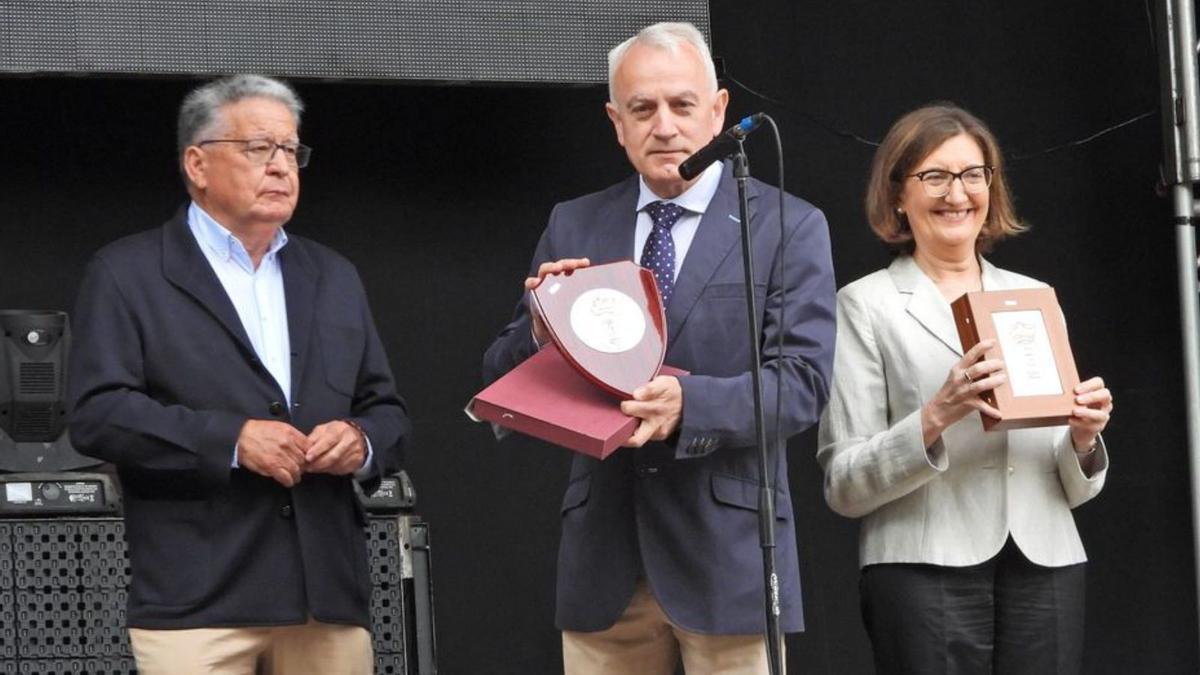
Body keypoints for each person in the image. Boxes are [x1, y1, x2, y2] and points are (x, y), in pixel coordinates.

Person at [482, 22, 835, 674]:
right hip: (604, 563)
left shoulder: (788, 224)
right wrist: (539, 329)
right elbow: (501, 373)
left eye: (682, 105)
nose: (664, 126)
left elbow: (803, 382)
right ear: (616, 122)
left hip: (728, 557)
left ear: (719, 110)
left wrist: (688, 406)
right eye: (642, 109)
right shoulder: (575, 222)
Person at [67, 74, 410, 675]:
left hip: (324, 599)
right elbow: (99, 417)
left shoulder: (333, 276)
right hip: (199, 599)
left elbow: (388, 412)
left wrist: (361, 441)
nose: (282, 167)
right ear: (197, 164)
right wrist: (230, 439)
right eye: (259, 148)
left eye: (291, 150)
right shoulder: (128, 273)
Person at [816, 104, 1113, 674]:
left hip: (1045, 561)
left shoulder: (1034, 296)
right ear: (898, 195)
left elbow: (1074, 489)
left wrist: (1083, 439)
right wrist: (935, 416)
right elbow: (842, 484)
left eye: (973, 175)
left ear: (991, 189)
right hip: (921, 568)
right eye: (934, 176)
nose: (958, 193)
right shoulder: (865, 305)